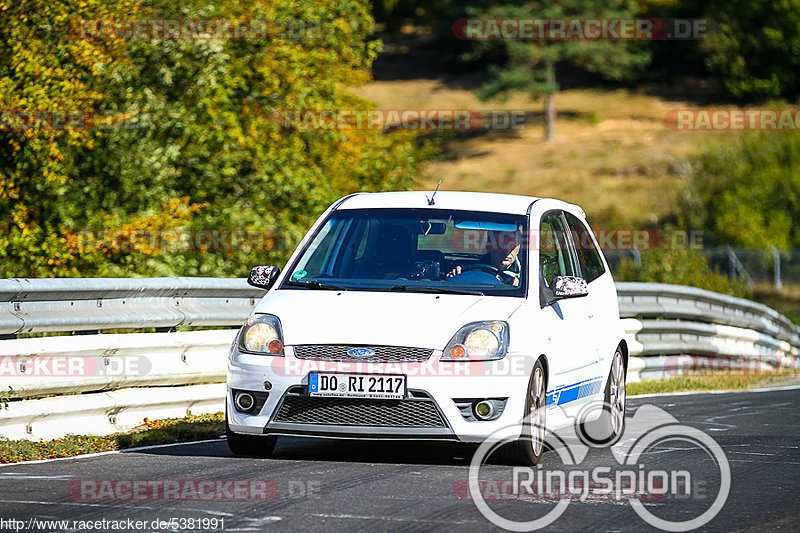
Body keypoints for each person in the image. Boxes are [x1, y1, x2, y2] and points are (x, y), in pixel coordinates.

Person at [446, 229, 522, 285]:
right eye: (501, 244)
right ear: (489, 246)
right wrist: (453, 281)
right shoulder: (469, 272)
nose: (507, 250)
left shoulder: (528, 275)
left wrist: (520, 287)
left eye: (512, 245)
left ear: (518, 248)